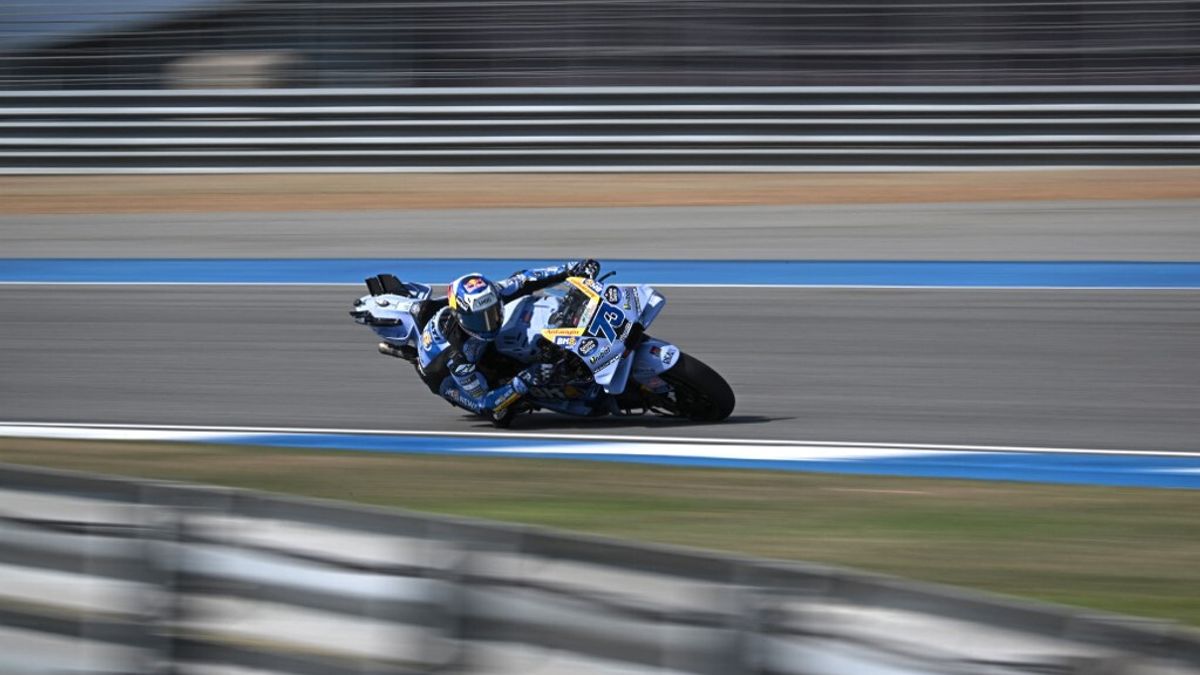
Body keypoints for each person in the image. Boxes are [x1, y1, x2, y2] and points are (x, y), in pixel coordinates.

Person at [423, 259, 600, 420]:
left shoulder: (493, 292)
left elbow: (526, 279)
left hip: (482, 347)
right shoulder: (459, 358)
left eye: (492, 313)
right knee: (502, 413)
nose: (489, 323)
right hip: (448, 378)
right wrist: (524, 379)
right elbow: (485, 403)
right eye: (480, 319)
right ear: (460, 317)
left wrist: (571, 269)